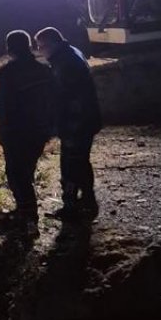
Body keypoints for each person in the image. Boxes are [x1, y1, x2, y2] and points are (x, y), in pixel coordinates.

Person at [34, 27, 102, 220]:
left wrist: (58, 124)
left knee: (70, 165)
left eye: (42, 46)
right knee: (81, 161)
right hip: (85, 120)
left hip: (75, 123)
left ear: (53, 43)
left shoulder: (65, 64)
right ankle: (88, 200)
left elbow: (64, 98)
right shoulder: (71, 53)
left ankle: (71, 207)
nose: (41, 51)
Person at [0, 30, 54, 232]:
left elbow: (3, 107)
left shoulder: (8, 73)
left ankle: (28, 217)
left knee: (17, 173)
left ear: (9, 49)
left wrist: (3, 130)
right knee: (26, 171)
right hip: (39, 131)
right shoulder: (44, 70)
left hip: (17, 132)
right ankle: (26, 212)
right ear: (29, 47)